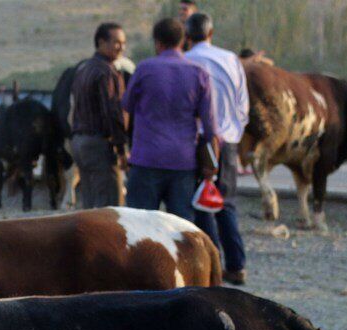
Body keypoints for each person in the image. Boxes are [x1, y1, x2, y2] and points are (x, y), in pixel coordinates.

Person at [121, 18, 217, 222]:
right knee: (181, 228)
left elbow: (127, 105)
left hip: (146, 159)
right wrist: (212, 161)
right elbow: (210, 126)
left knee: (139, 225)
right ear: (183, 41)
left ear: (157, 42)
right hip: (183, 163)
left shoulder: (144, 69)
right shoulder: (199, 73)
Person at [185, 12, 248, 284]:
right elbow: (242, 104)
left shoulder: (186, 61)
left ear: (187, 37)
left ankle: (213, 265)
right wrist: (233, 131)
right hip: (229, 141)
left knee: (202, 204)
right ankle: (237, 265)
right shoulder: (231, 59)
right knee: (226, 203)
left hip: (199, 141)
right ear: (211, 34)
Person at [70, 22, 128, 209]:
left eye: (123, 42)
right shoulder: (107, 72)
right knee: (109, 208)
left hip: (80, 143)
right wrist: (121, 149)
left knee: (90, 202)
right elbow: (113, 113)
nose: (121, 47)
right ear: (101, 42)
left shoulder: (83, 69)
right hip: (98, 144)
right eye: (116, 42)